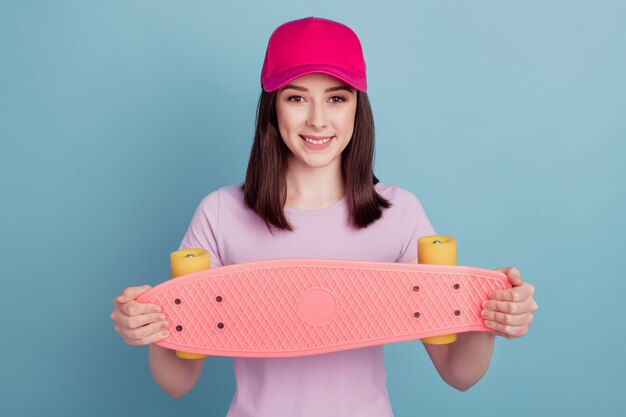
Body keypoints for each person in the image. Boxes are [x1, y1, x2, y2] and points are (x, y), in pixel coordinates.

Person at [110, 16, 538, 417]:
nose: (318, 120)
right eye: (297, 98)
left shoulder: (399, 213)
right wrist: (153, 328)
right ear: (272, 108)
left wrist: (487, 316)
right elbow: (178, 382)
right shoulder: (221, 213)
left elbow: (458, 373)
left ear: (358, 107)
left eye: (336, 98)